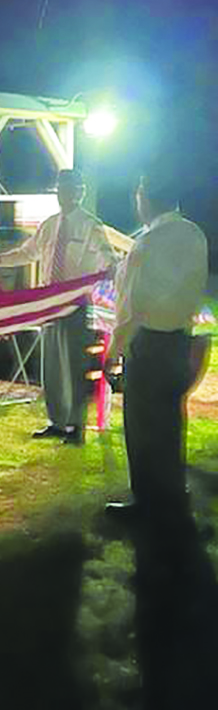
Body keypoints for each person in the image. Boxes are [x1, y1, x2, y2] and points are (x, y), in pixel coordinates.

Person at [104, 171, 208, 540]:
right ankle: (172, 498)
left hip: (148, 346)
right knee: (170, 425)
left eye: (139, 194)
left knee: (143, 430)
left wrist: (114, 350)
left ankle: (148, 504)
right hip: (180, 341)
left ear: (145, 198)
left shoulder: (146, 243)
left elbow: (132, 308)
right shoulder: (194, 235)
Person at [0, 168, 116, 444]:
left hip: (75, 304)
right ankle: (56, 422)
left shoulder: (90, 225)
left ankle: (75, 427)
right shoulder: (49, 225)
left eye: (71, 188)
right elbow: (27, 253)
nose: (65, 193)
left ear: (80, 191)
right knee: (52, 367)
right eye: (60, 188)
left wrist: (109, 269)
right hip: (48, 305)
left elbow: (106, 257)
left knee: (75, 365)